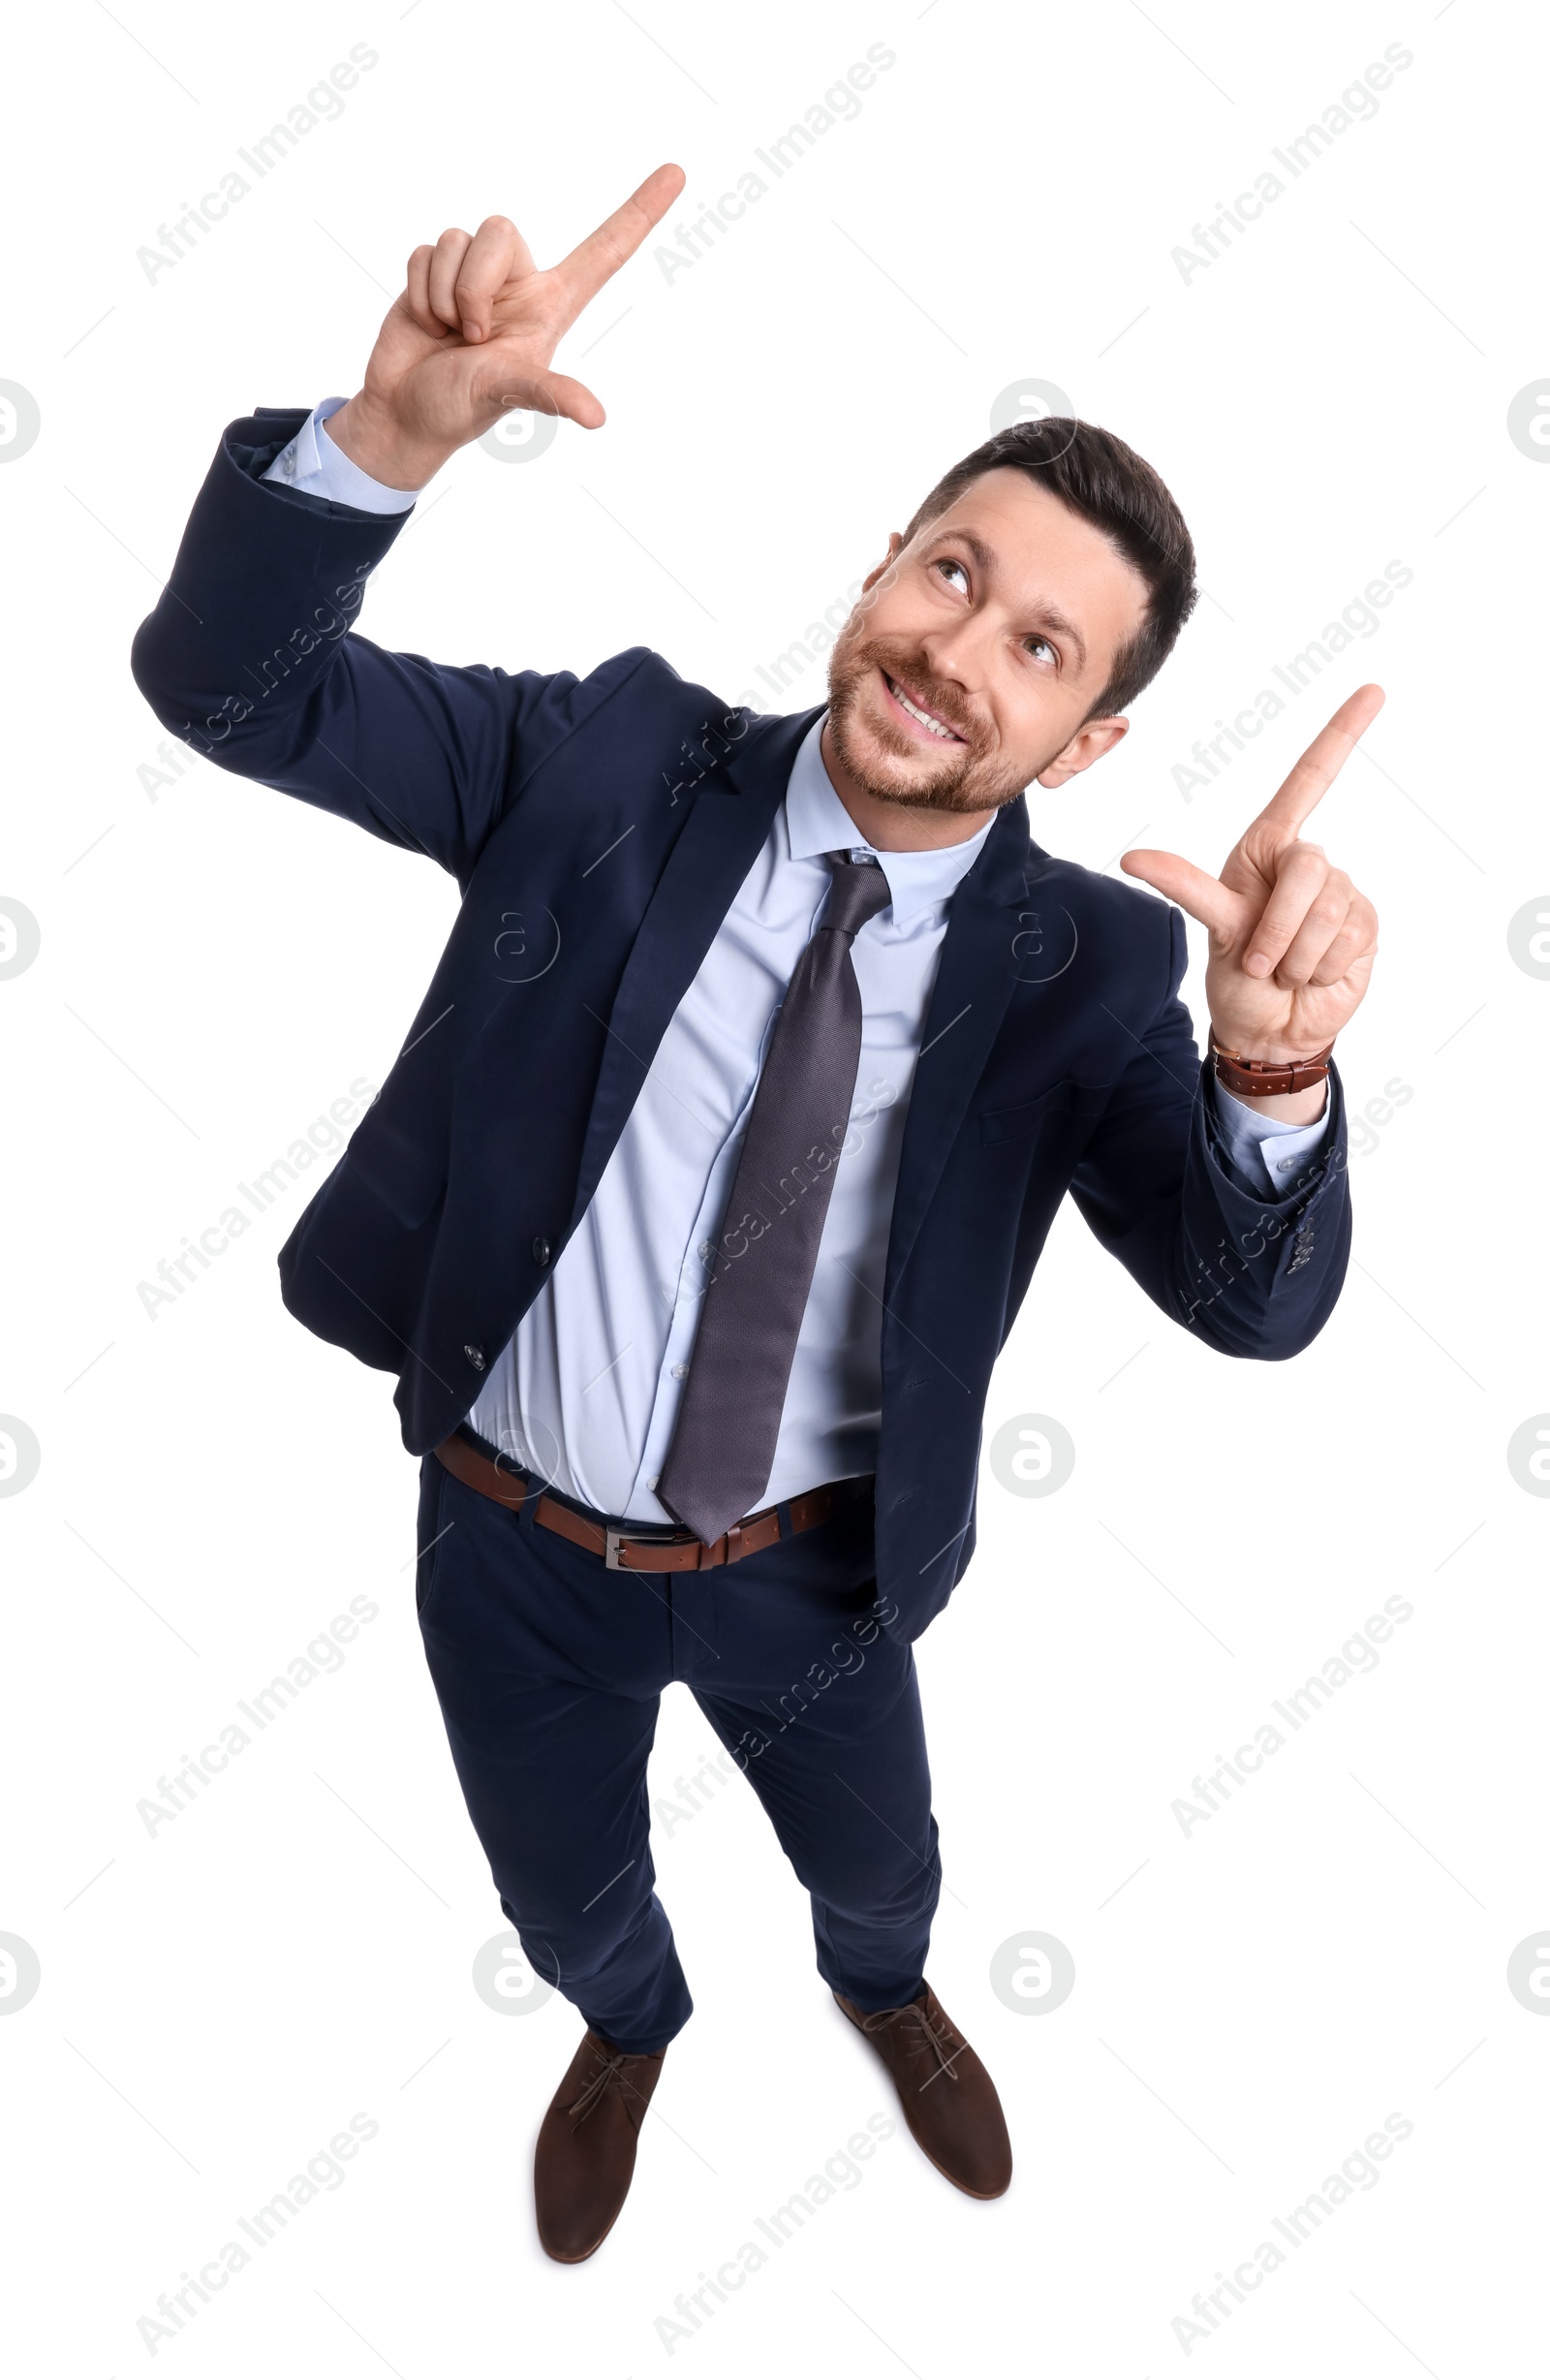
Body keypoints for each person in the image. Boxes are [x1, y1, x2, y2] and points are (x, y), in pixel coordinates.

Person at [131, 164, 1380, 2265]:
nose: (956, 651)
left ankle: (878, 1991)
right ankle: (627, 2025)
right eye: (952, 573)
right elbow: (228, 690)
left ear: (1091, 735)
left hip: (811, 1579)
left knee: (882, 1862)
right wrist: (380, 448)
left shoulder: (1080, 971)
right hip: (503, 1536)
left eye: (1039, 645)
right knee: (558, 1886)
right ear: (884, 558)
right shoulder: (608, 764)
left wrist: (1266, 1071)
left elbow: (1253, 1309)